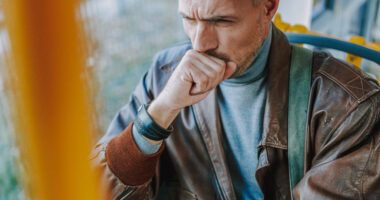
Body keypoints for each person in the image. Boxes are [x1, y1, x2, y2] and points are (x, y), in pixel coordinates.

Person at [92, 0, 380, 199]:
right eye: (189, 19)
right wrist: (159, 114)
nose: (199, 43)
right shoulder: (163, 76)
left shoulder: (348, 106)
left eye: (221, 21)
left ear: (269, 7)